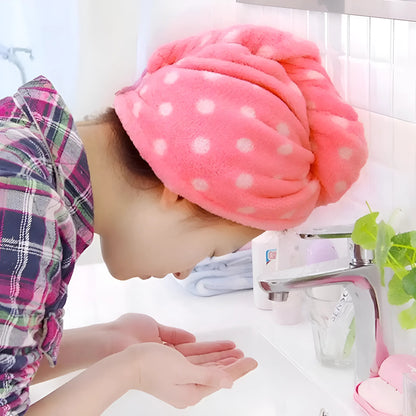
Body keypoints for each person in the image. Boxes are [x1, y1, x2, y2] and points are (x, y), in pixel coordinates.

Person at [0, 24, 367, 415]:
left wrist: (110, 341)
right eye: (211, 251)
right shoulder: (26, 205)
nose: (184, 273)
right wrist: (131, 371)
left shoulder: (25, 156)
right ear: (180, 189)